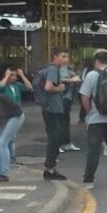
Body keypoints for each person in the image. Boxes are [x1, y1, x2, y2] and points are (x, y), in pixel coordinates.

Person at [79, 49, 107, 189]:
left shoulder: (92, 75)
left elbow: (84, 97)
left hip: (96, 119)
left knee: (94, 150)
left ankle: (89, 180)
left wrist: (89, 113)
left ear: (96, 61)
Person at [41, 47, 70, 181]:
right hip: (52, 109)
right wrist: (60, 88)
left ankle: (50, 168)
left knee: (55, 138)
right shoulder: (53, 69)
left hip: (52, 109)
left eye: (66, 57)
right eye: (63, 56)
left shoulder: (53, 69)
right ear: (55, 56)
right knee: (55, 139)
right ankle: (50, 168)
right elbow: (48, 87)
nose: (66, 59)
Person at [58, 63, 82, 153]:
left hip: (67, 97)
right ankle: (60, 143)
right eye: (63, 56)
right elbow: (61, 79)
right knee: (61, 122)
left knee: (65, 121)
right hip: (63, 97)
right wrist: (72, 79)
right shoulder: (60, 67)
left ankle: (65, 143)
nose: (66, 59)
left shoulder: (65, 68)